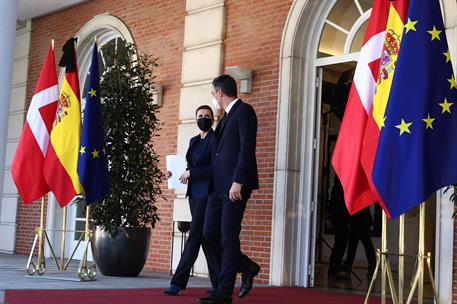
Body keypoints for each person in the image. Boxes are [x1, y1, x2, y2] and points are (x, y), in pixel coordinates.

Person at [198, 75, 260, 304]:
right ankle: (246, 266)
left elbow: (247, 148)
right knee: (209, 233)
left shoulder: (245, 112)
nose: (213, 97)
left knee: (227, 236)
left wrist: (239, 180)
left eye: (213, 93)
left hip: (235, 186)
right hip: (218, 187)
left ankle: (223, 292)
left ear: (220, 93)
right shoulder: (224, 118)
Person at [164, 105, 219, 295]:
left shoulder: (215, 139)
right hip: (193, 194)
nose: (203, 119)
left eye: (207, 116)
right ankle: (220, 282)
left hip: (208, 194)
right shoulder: (194, 141)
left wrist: (192, 172)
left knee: (194, 235)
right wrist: (173, 173)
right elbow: (188, 166)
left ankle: (177, 282)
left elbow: (216, 168)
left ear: (213, 118)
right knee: (205, 237)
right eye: (200, 116)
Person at [343, 207, 376, 279]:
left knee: (355, 246)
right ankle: (372, 269)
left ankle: (348, 268)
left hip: (358, 219)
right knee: (364, 246)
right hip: (360, 219)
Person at [327, 177, 350, 280]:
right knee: (340, 244)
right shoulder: (339, 189)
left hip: (340, 220)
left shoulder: (336, 188)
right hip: (341, 220)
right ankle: (333, 269)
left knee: (340, 244)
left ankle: (334, 269)